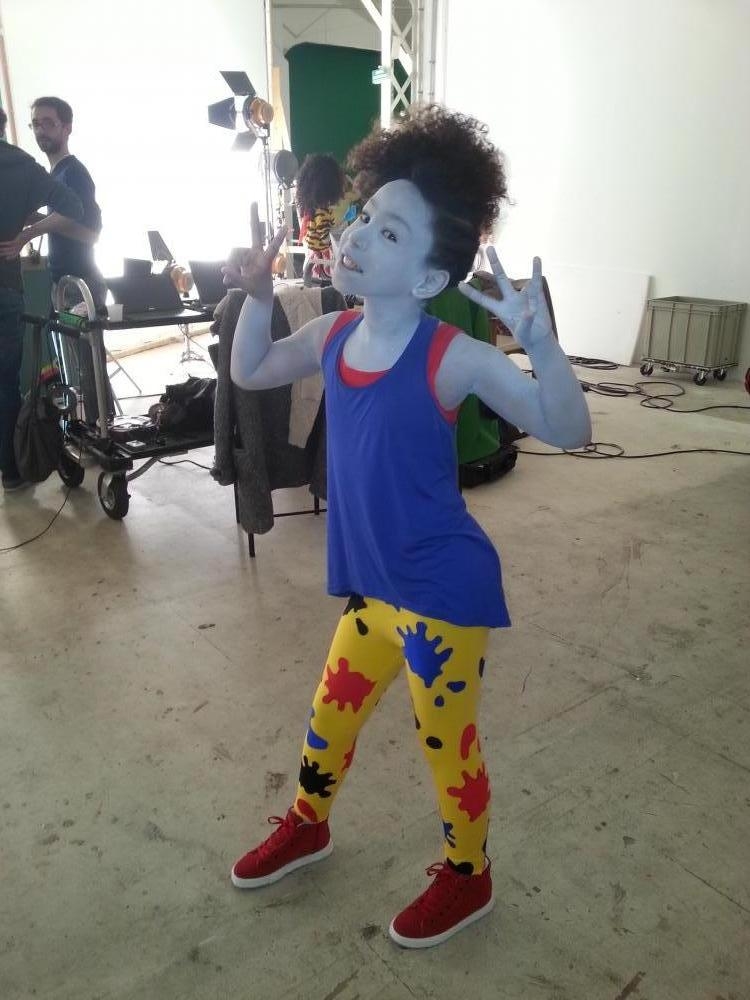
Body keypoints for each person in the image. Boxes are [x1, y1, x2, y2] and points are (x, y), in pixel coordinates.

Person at [223, 105, 592, 949]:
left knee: (446, 746)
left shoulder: (451, 356)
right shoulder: (332, 332)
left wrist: (542, 345)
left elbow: (568, 431)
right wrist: (256, 297)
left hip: (440, 599)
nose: (356, 236)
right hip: (373, 596)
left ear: (428, 280)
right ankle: (308, 824)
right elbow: (250, 369)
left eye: (389, 234)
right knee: (329, 718)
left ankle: (469, 875)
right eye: (364, 216)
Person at [0, 106, 84, 492]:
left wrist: (27, 227)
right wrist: (25, 231)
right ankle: (12, 471)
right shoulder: (22, 165)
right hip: (6, 288)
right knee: (6, 380)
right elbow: (74, 208)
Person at [295, 153, 345, 284]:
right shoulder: (322, 213)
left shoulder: (308, 209)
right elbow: (325, 237)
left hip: (313, 264)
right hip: (323, 265)